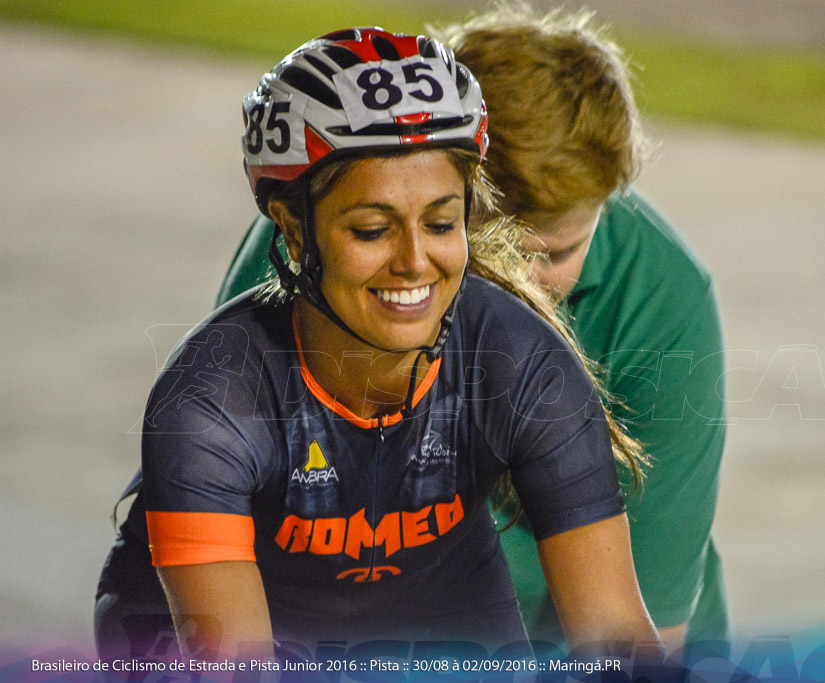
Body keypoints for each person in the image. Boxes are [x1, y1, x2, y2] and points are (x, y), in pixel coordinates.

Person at [94, 27, 660, 661]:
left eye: (443, 223)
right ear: (295, 231)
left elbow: (616, 637)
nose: (415, 261)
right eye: (371, 230)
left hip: (438, 599)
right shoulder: (212, 397)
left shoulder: (522, 362)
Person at [216, 6, 728, 662]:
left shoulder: (664, 297)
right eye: (500, 255)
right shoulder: (303, 250)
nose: (529, 288)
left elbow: (630, 633)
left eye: (557, 252)